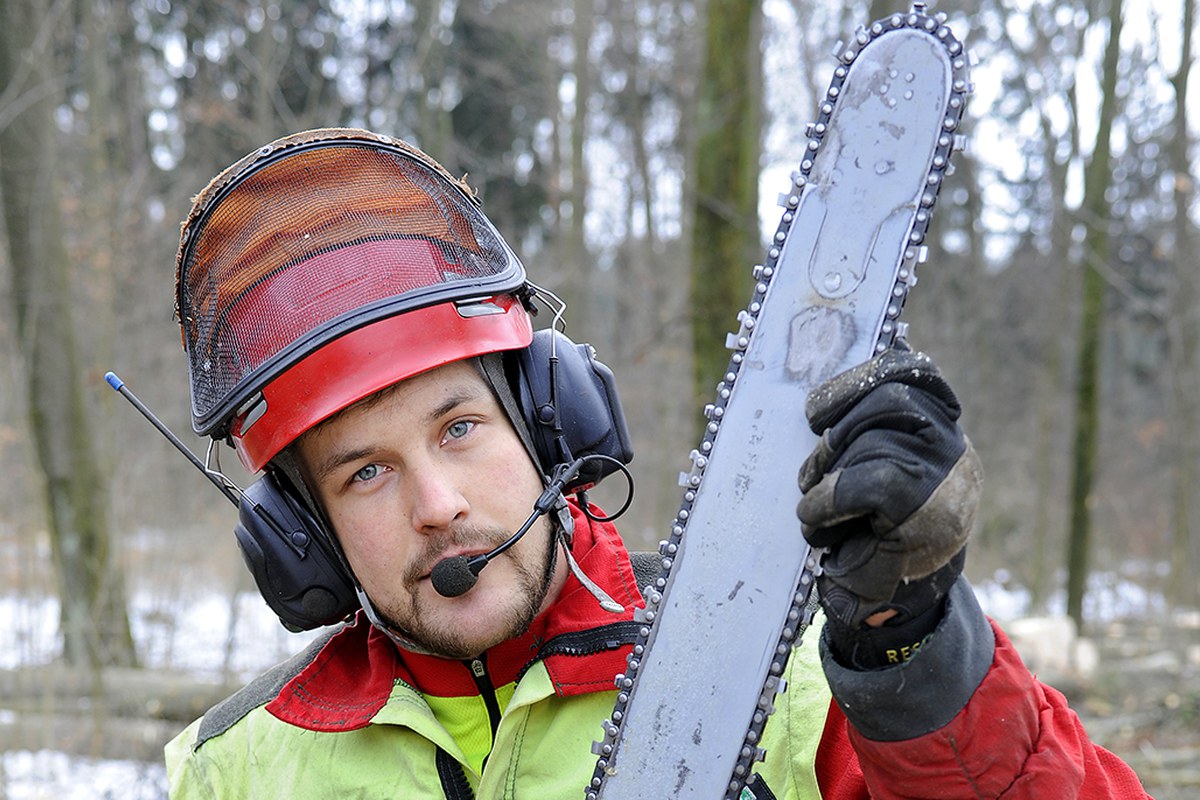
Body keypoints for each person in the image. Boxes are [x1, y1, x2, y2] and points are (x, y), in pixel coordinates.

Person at [163, 127, 1149, 799]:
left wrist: (915, 649)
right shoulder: (242, 767)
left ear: (552, 426)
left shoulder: (799, 676)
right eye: (362, 473)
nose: (437, 503)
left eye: (459, 426)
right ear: (300, 535)